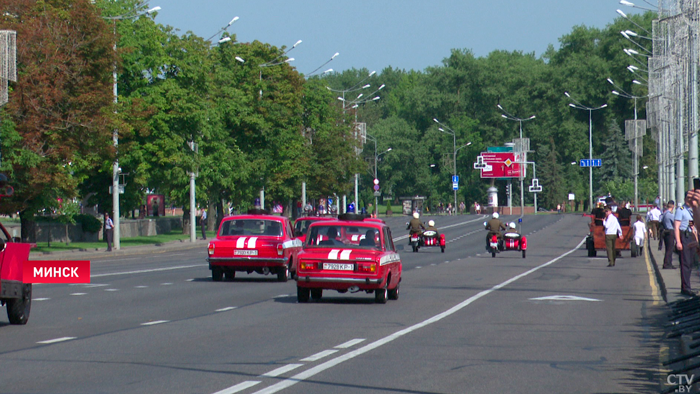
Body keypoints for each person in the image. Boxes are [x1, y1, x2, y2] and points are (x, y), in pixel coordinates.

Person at [675, 191, 696, 296]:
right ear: (685, 199)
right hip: (685, 236)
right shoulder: (681, 210)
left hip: (692, 237)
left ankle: (686, 286)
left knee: (691, 263)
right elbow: (676, 227)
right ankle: (686, 288)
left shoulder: (693, 210)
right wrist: (678, 241)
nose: (690, 200)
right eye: (688, 198)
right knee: (685, 263)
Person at [659, 201, 677, 270]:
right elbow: (675, 223)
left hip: (665, 232)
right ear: (673, 206)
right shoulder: (670, 215)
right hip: (670, 232)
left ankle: (668, 263)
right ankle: (667, 264)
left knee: (667, 249)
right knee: (670, 249)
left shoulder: (664, 214)